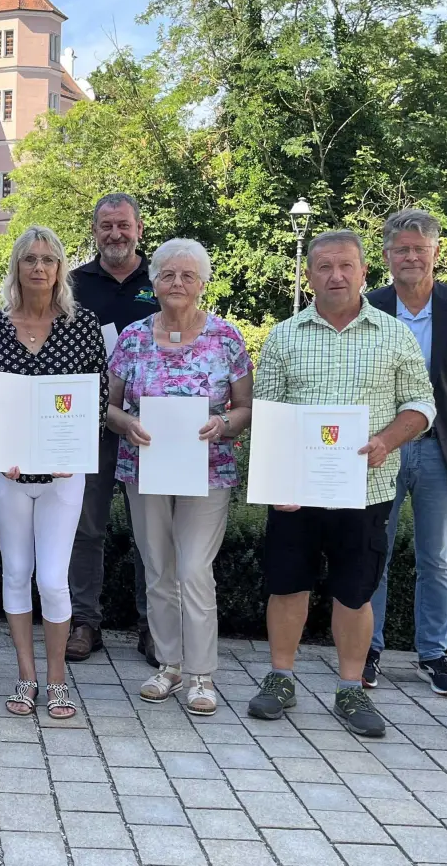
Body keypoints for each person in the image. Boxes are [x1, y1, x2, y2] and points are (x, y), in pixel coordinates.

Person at [247, 230, 435, 738]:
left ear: (363, 272)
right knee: (287, 586)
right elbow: (268, 416)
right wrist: (272, 483)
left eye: (345, 266)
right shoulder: (285, 336)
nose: (336, 275)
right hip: (296, 493)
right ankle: (281, 678)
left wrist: (386, 441)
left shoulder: (394, 334)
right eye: (324, 267)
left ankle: (350, 688)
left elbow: (421, 405)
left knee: (355, 593)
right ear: (309, 276)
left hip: (366, 491)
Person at [105, 239, 253, 716]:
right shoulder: (132, 338)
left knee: (193, 570)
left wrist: (225, 424)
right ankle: (168, 667)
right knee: (159, 568)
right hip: (144, 467)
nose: (177, 284)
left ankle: (201, 675)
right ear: (154, 282)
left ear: (203, 284)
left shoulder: (226, 338)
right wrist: (124, 422)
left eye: (188, 276)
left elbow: (245, 407)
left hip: (207, 469)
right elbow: (107, 405)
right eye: (168, 275)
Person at [0, 226, 105, 720]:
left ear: (60, 268)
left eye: (49, 259)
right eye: (30, 258)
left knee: (51, 579)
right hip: (6, 472)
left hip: (62, 474)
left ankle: (57, 678)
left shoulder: (82, 325)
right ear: (17, 267)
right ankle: (26, 676)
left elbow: (96, 396)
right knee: (16, 572)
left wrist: (74, 449)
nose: (40, 267)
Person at [365, 209, 447, 695]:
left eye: (420, 248)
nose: (411, 257)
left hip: (442, 450)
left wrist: (445, 425)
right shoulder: (369, 306)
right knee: (372, 551)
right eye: (402, 249)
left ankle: (434, 654)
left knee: (438, 558)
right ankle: (368, 649)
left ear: (435, 252)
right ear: (386, 256)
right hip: (380, 448)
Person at [66, 193, 161, 664]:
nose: (115, 234)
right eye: (106, 226)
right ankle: (85, 622)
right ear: (95, 230)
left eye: (123, 225)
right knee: (85, 528)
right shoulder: (75, 283)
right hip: (90, 422)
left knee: (151, 530)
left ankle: (152, 624)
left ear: (139, 228)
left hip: (154, 427)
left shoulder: (162, 276)